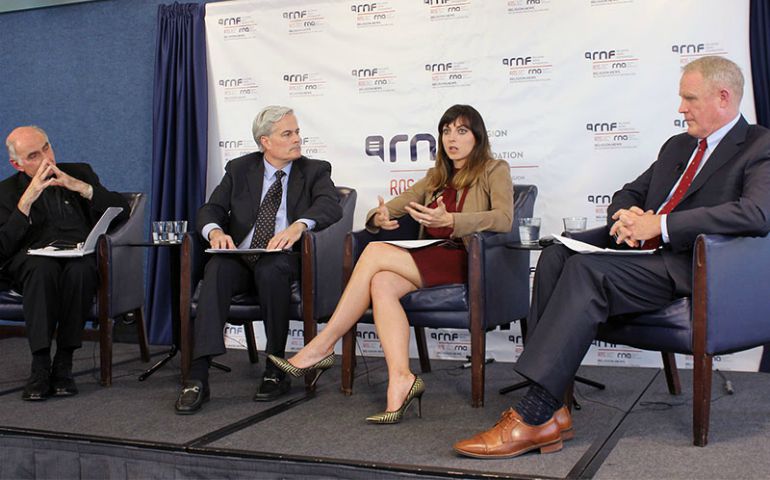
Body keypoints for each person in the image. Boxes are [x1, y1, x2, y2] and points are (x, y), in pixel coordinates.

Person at [453, 56, 770, 459]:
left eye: (689, 98)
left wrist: (663, 224)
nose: (680, 108)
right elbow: (628, 193)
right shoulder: (678, 146)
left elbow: (757, 214)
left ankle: (533, 413)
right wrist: (629, 215)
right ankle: (554, 407)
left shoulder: (759, 145)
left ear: (723, 97)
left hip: (695, 267)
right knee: (554, 258)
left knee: (586, 271)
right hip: (642, 258)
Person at [269, 104, 514, 423]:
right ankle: (402, 379)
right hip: (431, 254)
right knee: (381, 283)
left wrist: (452, 219)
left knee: (373, 255)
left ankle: (322, 346)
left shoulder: (495, 169)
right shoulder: (436, 176)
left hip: (466, 257)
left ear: (477, 137)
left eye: (461, 131)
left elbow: (504, 219)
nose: (452, 138)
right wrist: (379, 216)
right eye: (446, 131)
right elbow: (392, 207)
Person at [174, 106, 342, 414]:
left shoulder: (314, 170)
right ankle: (197, 374)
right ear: (265, 141)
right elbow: (210, 210)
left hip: (284, 258)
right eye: (287, 134)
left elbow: (331, 206)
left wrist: (299, 224)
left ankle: (276, 366)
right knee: (217, 267)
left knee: (271, 268)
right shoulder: (239, 169)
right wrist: (214, 234)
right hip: (241, 256)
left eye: (297, 132)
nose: (297, 139)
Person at [0, 126, 130, 401]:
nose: (46, 158)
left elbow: (122, 211)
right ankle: (40, 365)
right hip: (31, 261)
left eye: (47, 148)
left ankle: (64, 362)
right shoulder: (6, 192)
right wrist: (26, 201)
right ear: (17, 163)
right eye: (34, 155)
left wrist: (82, 188)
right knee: (42, 269)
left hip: (77, 254)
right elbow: (3, 247)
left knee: (81, 270)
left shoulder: (80, 172)